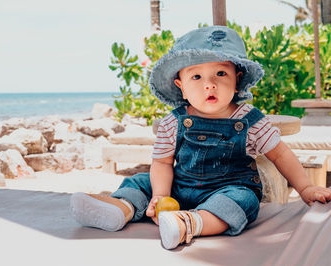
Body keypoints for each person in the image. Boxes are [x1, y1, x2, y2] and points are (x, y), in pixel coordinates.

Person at [70, 26, 331, 250]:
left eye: (220, 74)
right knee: (141, 182)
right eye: (196, 76)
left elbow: (281, 155)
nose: (209, 84)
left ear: (237, 80)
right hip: (179, 188)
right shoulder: (173, 122)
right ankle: (120, 208)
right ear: (180, 86)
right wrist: (161, 196)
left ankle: (188, 224)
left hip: (227, 189)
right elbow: (161, 164)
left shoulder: (250, 120)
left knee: (244, 201)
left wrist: (305, 188)